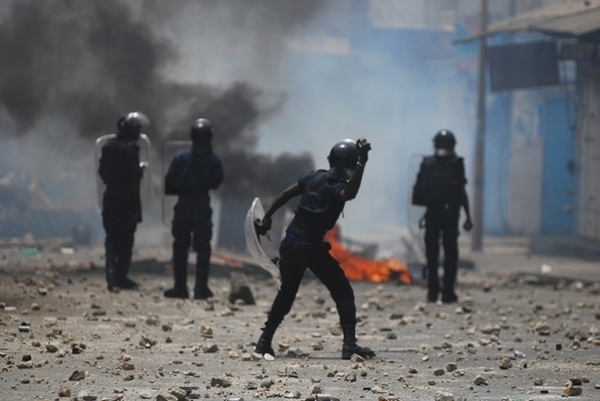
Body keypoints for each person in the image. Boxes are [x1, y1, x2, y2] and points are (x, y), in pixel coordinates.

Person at [254, 138, 375, 360]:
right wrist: (363, 163)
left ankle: (264, 342)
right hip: (308, 245)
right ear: (350, 163)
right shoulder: (337, 187)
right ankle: (350, 345)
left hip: (289, 241)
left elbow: (285, 194)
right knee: (342, 291)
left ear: (330, 160)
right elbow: (349, 193)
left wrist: (266, 217)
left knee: (287, 292)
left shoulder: (314, 177)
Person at [163, 118, 224, 300]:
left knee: (180, 248)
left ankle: (180, 288)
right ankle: (200, 289)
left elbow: (170, 181)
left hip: (183, 204)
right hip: (201, 204)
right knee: (203, 248)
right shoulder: (213, 160)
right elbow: (216, 182)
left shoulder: (181, 157)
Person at [412, 129, 473, 303]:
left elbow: (418, 191)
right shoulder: (456, 163)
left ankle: (432, 291)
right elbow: (461, 191)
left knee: (432, 254)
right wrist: (468, 217)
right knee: (450, 253)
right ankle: (448, 292)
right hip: (450, 214)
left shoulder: (427, 163)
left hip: (432, 214)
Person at [98, 112, 149, 291]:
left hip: (110, 196)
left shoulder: (108, 147)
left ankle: (111, 275)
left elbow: (102, 173)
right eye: (136, 129)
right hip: (126, 198)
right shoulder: (131, 149)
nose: (138, 133)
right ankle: (121, 276)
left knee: (112, 239)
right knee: (126, 240)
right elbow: (133, 180)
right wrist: (138, 207)